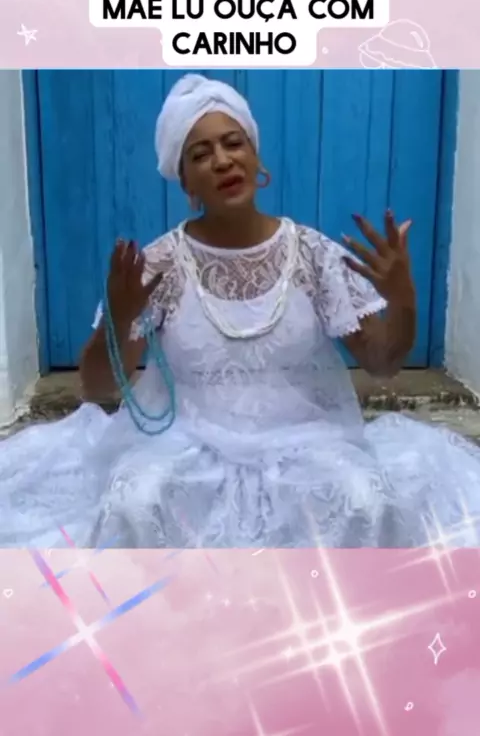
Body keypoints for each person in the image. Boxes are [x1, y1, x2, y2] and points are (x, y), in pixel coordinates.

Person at [1, 73, 480, 549]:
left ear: (256, 157)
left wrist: (403, 301)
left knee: (363, 498)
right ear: (185, 181)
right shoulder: (159, 264)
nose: (222, 160)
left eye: (234, 143)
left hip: (308, 442)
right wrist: (119, 320)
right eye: (200, 154)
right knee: (136, 499)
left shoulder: (313, 254)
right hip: (184, 444)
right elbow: (97, 387)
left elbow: (383, 362)